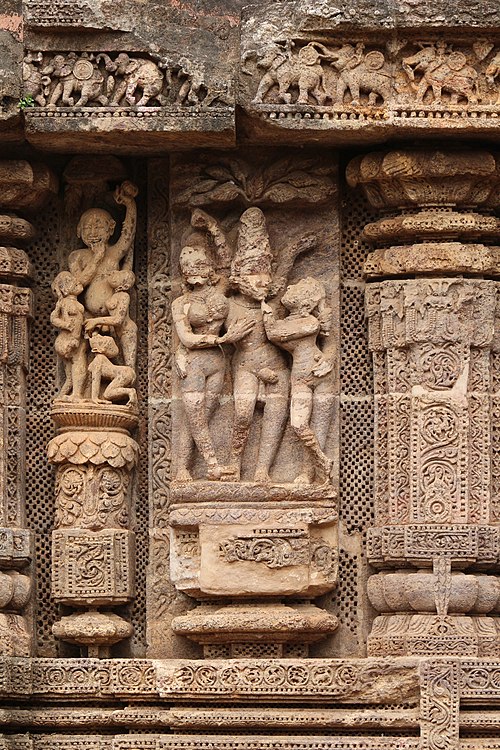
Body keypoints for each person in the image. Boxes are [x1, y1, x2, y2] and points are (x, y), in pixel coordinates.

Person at [172, 240, 253, 482]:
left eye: (198, 264)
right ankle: (212, 465)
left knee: (200, 418)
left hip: (217, 364)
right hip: (194, 362)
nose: (193, 270)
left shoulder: (221, 297)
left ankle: (183, 468)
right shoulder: (181, 303)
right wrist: (222, 339)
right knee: (195, 415)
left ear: (209, 269)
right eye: (188, 266)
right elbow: (186, 338)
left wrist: (213, 230)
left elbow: (230, 263)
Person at [263, 277, 334, 484]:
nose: (291, 286)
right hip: (301, 377)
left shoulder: (310, 323)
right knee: (298, 423)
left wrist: (266, 312)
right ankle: (321, 460)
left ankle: (308, 473)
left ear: (305, 304)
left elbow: (274, 334)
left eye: (298, 288)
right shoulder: (291, 321)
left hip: (320, 375)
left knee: (318, 425)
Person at [68, 180, 138, 317]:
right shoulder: (77, 256)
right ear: (79, 230)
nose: (93, 233)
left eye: (99, 227)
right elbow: (78, 285)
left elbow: (128, 234)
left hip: (115, 315)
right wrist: (96, 258)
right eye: (88, 228)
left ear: (111, 228)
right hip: (86, 316)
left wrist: (130, 204)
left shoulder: (113, 252)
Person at [84, 269, 137, 369]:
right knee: (118, 363)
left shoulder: (124, 296)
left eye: (118, 275)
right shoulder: (113, 294)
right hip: (114, 332)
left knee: (129, 365)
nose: (113, 273)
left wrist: (96, 321)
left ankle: (128, 383)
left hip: (127, 331)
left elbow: (118, 320)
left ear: (124, 286)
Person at [50, 271, 87, 402]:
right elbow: (53, 318)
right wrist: (65, 325)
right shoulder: (63, 302)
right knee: (79, 361)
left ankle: (61, 397)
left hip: (75, 339)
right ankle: (77, 394)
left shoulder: (76, 304)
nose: (77, 282)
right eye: (72, 281)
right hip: (66, 340)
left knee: (70, 374)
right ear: (64, 289)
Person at [88, 333, 137, 407]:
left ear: (97, 349)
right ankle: (127, 395)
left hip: (124, 374)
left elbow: (96, 379)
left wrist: (94, 398)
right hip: (126, 372)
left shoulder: (99, 360)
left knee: (107, 394)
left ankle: (130, 392)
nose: (98, 336)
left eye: (100, 338)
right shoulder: (101, 359)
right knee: (110, 392)